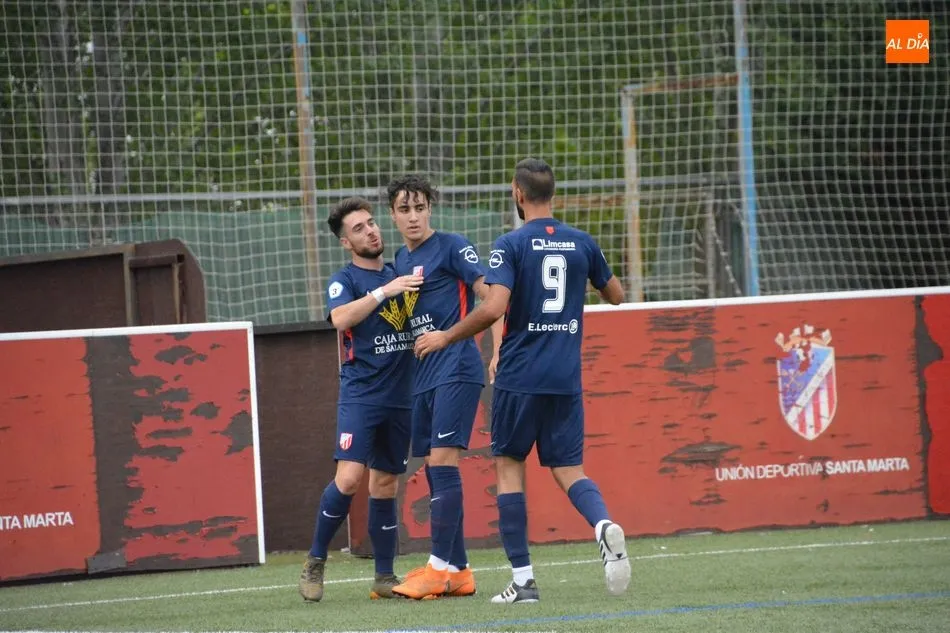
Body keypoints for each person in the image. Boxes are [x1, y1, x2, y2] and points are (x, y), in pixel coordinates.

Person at [414, 158, 630, 604]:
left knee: (509, 468)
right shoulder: (583, 242)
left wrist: (445, 336)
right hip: (565, 377)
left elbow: (493, 309)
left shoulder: (510, 244)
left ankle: (525, 581)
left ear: (517, 193)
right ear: (554, 194)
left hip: (519, 375)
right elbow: (616, 295)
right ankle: (603, 525)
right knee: (569, 470)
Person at [299, 197, 423, 602]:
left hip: (401, 397)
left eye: (371, 223)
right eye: (359, 229)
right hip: (362, 395)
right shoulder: (345, 280)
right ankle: (316, 560)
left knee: (386, 483)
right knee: (350, 478)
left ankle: (384, 576)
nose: (371, 231)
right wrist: (384, 292)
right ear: (345, 242)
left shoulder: (400, 270)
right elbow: (339, 319)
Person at [385, 174, 502, 600]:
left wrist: (491, 347)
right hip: (423, 376)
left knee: (444, 461)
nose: (413, 216)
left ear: (430, 208)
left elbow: (492, 298)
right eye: (404, 209)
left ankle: (437, 567)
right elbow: (402, 321)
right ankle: (459, 569)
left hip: (456, 367)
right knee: (435, 467)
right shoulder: (399, 259)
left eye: (420, 207)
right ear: (393, 215)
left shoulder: (453, 245)